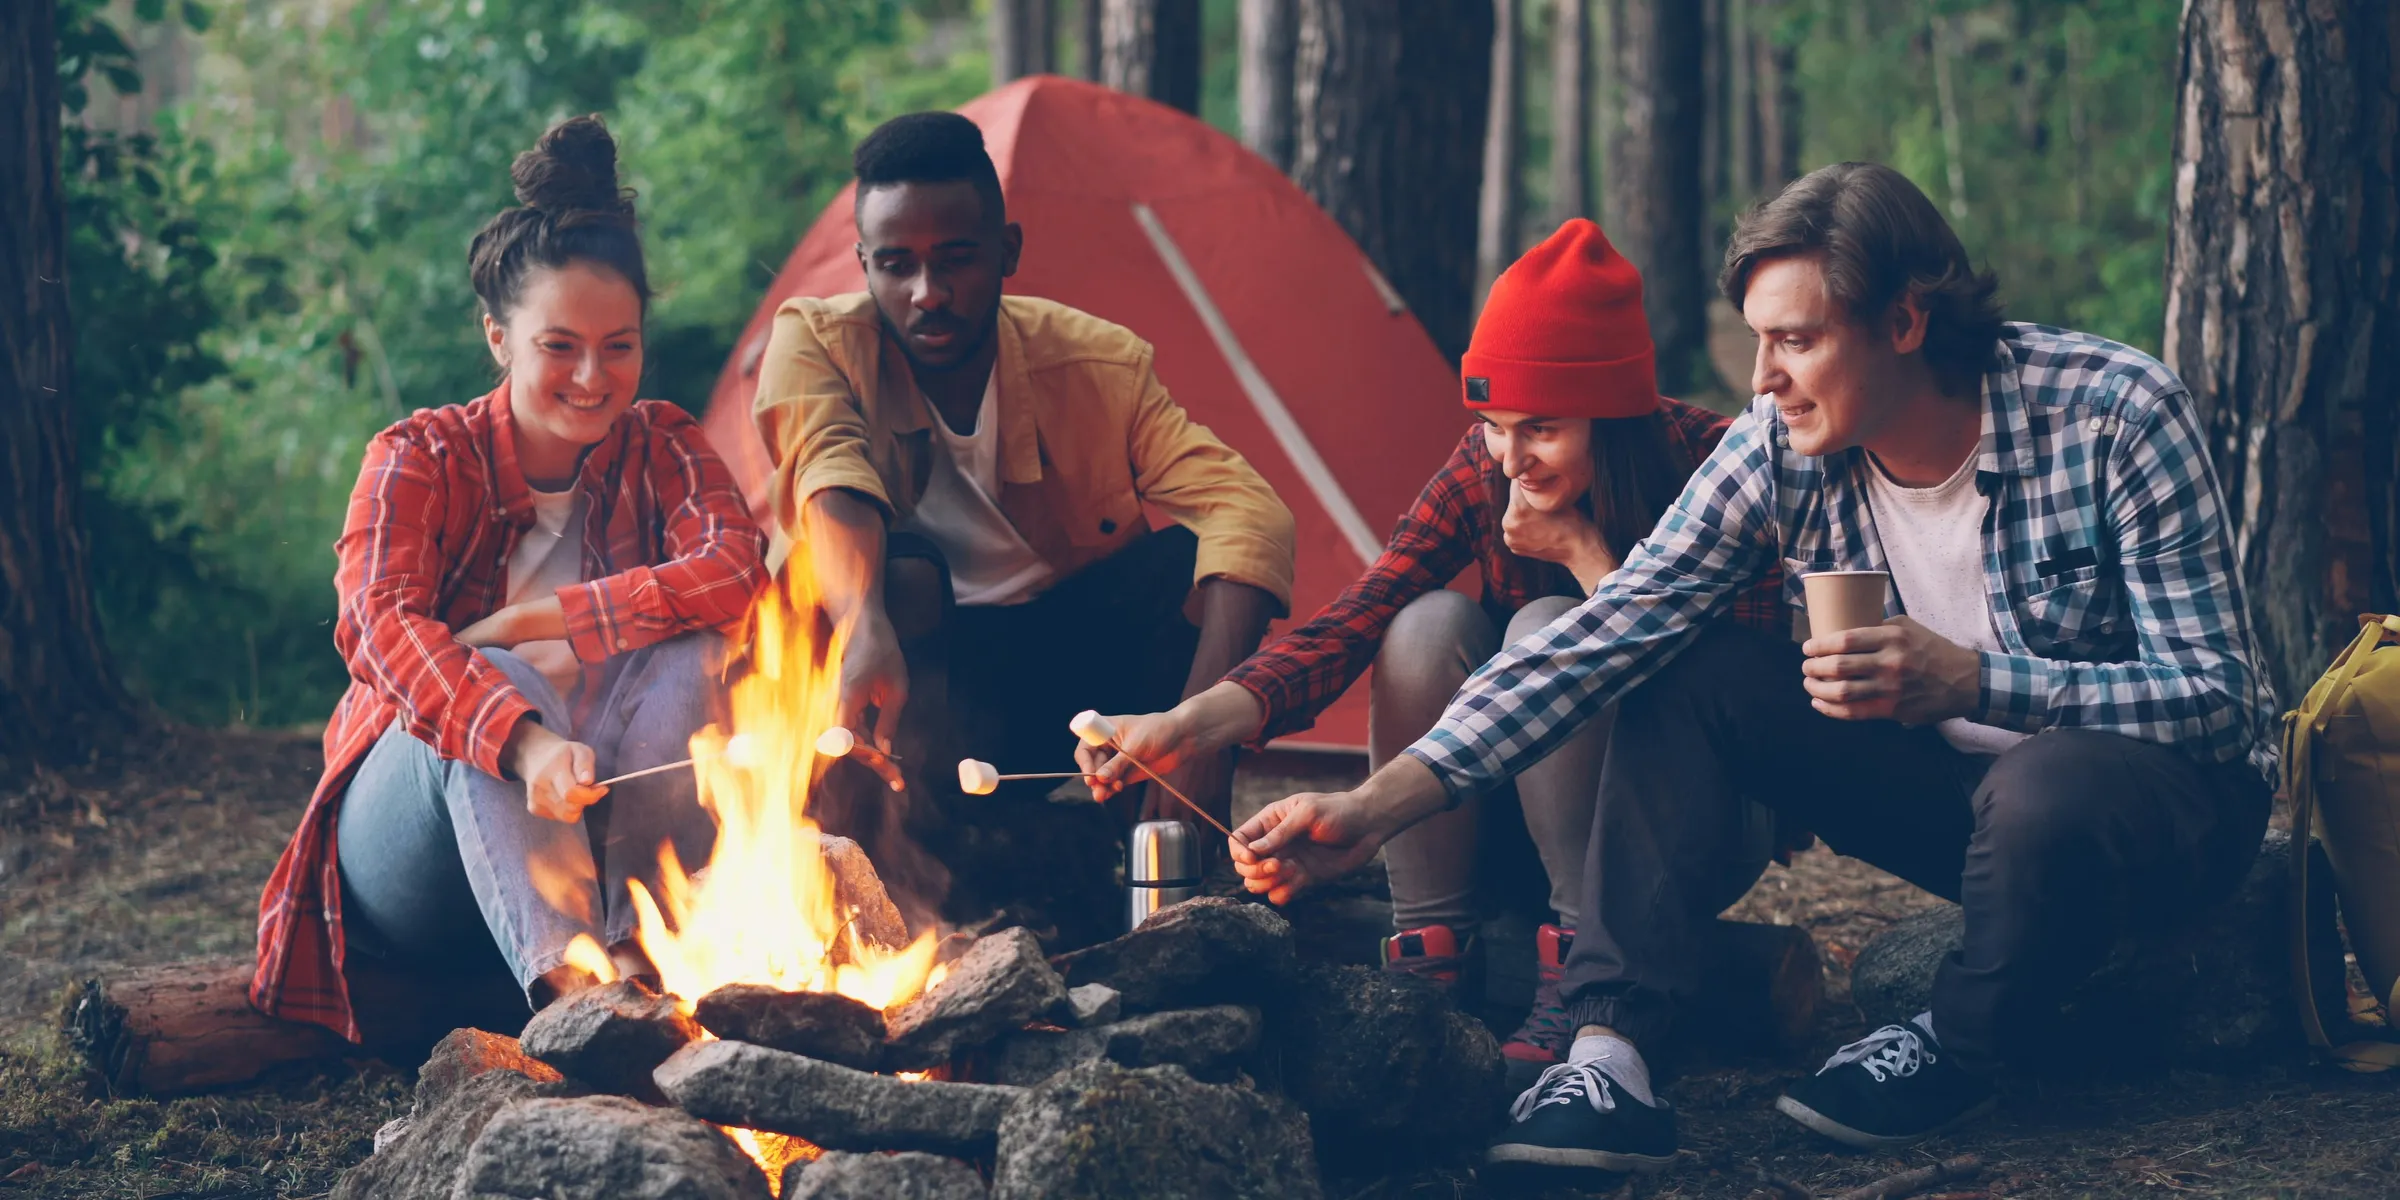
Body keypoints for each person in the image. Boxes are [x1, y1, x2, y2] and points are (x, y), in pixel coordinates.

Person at [1229, 163, 2276, 1173]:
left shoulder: (2114, 412)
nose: (1763, 379)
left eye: (1797, 340)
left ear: (1906, 322)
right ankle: (1611, 1054)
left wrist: (1974, 680)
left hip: (2147, 815)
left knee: (2042, 777)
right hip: (1956, 808)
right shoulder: (1785, 440)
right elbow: (1615, 626)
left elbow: (2224, 702)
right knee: (1684, 667)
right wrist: (1375, 807)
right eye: (1757, 342)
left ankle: (1955, 1042)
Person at [1075, 220, 1785, 1086]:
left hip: (1684, 835)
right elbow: (1353, 622)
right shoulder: (1485, 472)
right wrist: (1189, 726)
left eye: (1542, 429)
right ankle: (1432, 954)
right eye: (1491, 423)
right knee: (1422, 624)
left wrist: (1578, 552)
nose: (1511, 457)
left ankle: (1583, 967)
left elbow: (1730, 702)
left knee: (1545, 628)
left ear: (1614, 411)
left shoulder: (1715, 465)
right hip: (1512, 818)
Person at [251, 116, 768, 1041]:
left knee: (700, 652)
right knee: (496, 678)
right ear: (498, 336)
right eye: (558, 345)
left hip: (612, 835)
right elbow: (377, 629)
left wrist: (551, 614)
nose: (591, 376)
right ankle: (583, 1010)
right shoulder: (419, 457)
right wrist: (523, 742)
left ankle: (645, 971)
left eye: (619, 345)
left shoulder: (663, 444)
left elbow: (736, 569)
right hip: (423, 853)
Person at [751, 113, 1294, 887]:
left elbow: (1251, 510)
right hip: (901, 698)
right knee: (875, 583)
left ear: (1008, 251)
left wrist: (1199, 732)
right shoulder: (817, 342)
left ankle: (1169, 837)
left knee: (1182, 564)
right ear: (863, 264)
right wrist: (862, 621)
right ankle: (865, 868)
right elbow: (828, 468)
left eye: (957, 260)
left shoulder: (1095, 362)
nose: (927, 293)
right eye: (897, 265)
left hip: (1061, 687)